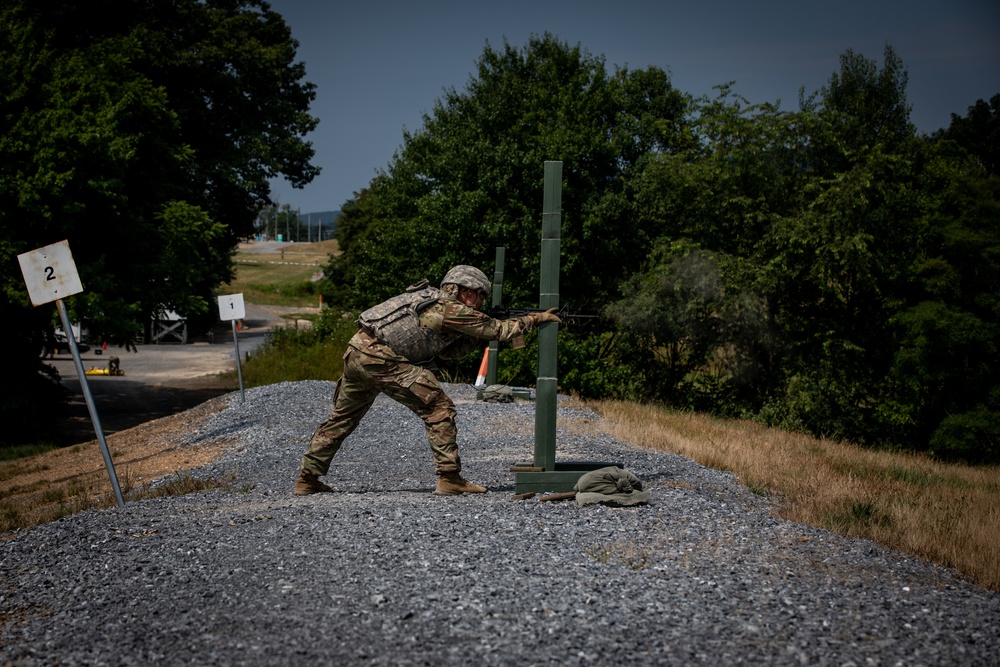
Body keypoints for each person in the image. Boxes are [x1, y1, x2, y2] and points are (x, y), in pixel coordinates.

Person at [294, 265, 561, 497]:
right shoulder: (449, 307)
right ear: (466, 291)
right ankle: (450, 479)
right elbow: (500, 330)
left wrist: (475, 335)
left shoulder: (428, 299)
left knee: (342, 418)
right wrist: (535, 319)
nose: (480, 302)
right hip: (382, 359)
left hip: (358, 352)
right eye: (479, 296)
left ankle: (307, 479)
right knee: (438, 408)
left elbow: (447, 352)